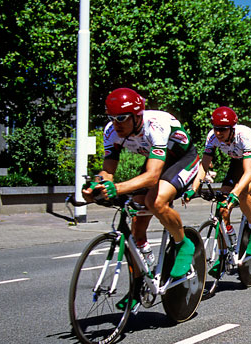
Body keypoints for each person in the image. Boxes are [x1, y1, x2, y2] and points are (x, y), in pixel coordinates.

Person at [82, 88, 200, 301]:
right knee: (136, 226)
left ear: (137, 116)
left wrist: (115, 188)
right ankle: (139, 286)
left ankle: (183, 243)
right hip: (156, 163)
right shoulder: (111, 132)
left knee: (155, 201)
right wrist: (97, 186)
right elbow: (108, 171)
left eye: (121, 118)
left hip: (182, 160)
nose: (116, 123)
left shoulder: (155, 126)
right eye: (111, 118)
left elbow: (152, 176)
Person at [184, 106, 251, 276]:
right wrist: (193, 188)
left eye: (222, 130)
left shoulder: (244, 135)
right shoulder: (212, 137)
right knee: (222, 207)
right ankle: (224, 255)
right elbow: (204, 165)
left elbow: (248, 172)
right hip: (236, 163)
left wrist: (235, 193)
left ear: (232, 128)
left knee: (242, 191)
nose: (218, 133)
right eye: (216, 128)